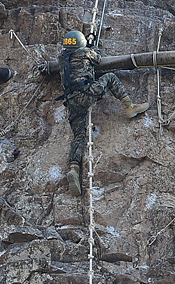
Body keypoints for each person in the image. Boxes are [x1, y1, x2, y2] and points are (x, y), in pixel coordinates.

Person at [52, 30, 150, 196]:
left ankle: (74, 169)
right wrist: (92, 45)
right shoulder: (85, 52)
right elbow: (97, 58)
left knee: (79, 136)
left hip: (71, 100)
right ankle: (129, 106)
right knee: (110, 77)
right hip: (86, 94)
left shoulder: (62, 58)